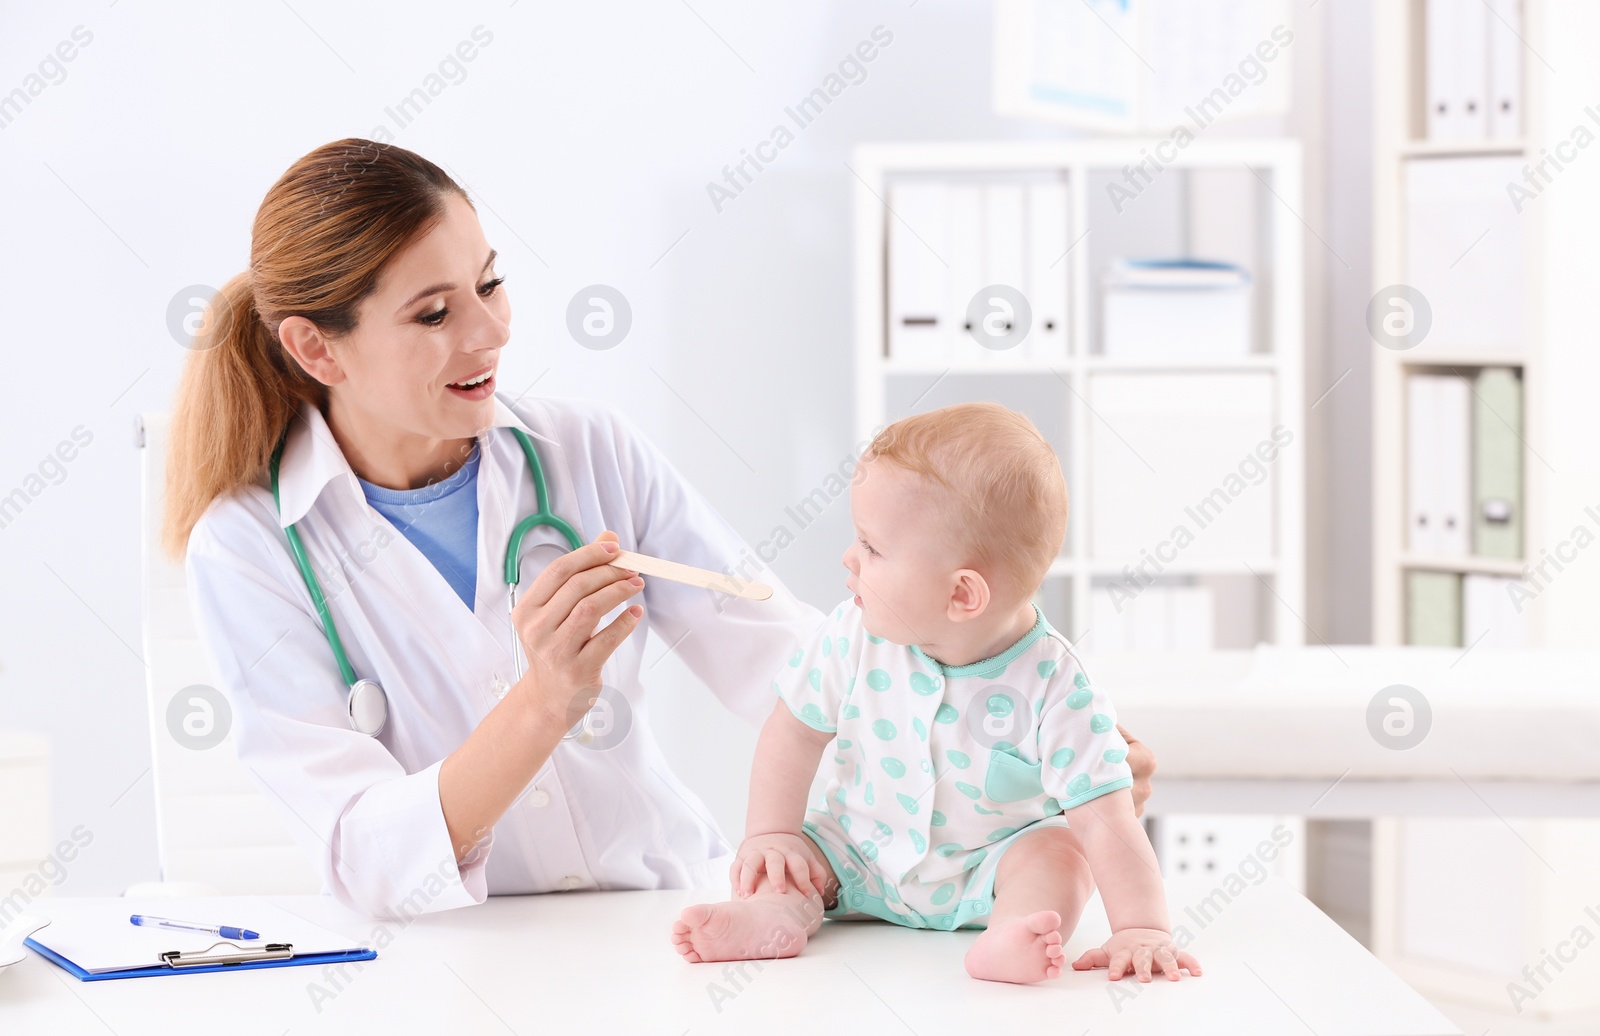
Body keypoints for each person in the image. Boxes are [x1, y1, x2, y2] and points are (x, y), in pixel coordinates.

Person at [163, 137, 1158, 919]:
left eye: (491, 283)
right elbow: (367, 860)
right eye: (433, 313)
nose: (490, 331)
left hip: (653, 915)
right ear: (314, 347)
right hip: (442, 964)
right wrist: (542, 701)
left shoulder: (587, 453)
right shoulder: (251, 547)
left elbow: (795, 664)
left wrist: (1008, 726)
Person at [672, 403, 1196, 985]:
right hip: (858, 852)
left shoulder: (1056, 684)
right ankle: (774, 915)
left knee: (1059, 855)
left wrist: (1141, 927)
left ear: (963, 595)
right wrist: (772, 833)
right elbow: (794, 730)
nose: (849, 557)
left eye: (872, 548)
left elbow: (1106, 820)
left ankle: (1011, 931)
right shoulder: (850, 635)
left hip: (992, 864)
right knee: (794, 857)